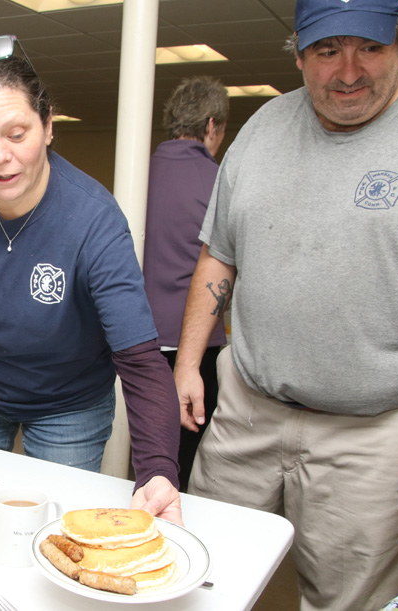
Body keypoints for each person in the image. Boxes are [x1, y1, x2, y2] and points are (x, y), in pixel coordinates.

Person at [173, 0, 398, 609]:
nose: (349, 70)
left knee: (350, 602)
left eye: (371, 48)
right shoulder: (262, 129)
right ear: (301, 54)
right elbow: (219, 256)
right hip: (249, 413)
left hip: (379, 432)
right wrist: (187, 364)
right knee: (206, 579)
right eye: (328, 51)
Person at [0, 34, 182, 524]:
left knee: (54, 531)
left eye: (17, 134)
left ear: (49, 125)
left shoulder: (94, 220)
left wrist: (158, 471)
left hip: (68, 404)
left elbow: (139, 361)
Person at [142, 76, 229, 491]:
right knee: (182, 454)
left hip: (134, 335)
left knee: (139, 444)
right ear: (212, 125)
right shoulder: (220, 181)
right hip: (194, 342)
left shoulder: (134, 171)